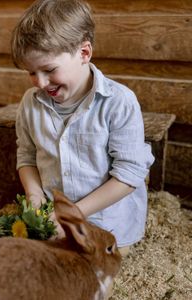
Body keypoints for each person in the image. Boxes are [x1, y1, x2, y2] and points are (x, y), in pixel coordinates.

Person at [12, 0, 154, 254]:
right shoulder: (30, 104)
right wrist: (35, 197)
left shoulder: (118, 102)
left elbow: (130, 174)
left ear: (84, 53)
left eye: (49, 70)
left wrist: (74, 213)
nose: (41, 82)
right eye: (31, 72)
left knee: (91, 276)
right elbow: (27, 156)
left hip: (109, 222)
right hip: (53, 218)